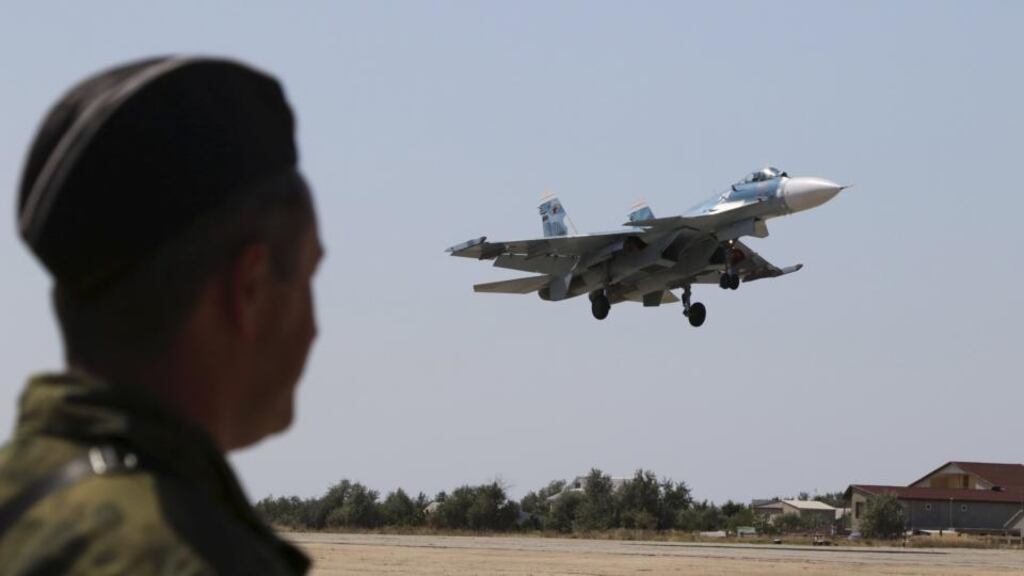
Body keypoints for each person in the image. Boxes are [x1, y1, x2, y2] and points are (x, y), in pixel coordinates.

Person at [0, 56, 321, 574]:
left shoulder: (24, 506)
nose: (315, 330)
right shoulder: (190, 556)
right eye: (307, 278)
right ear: (249, 288)